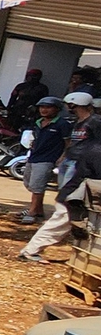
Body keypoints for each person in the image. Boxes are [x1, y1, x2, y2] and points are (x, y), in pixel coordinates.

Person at [22, 91, 101, 261]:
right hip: (79, 178)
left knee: (70, 216)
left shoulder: (93, 124)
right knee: (65, 215)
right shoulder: (80, 126)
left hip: (81, 175)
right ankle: (31, 251)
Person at [20, 96, 70, 225]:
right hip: (34, 156)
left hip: (48, 159)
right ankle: (38, 210)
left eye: (48, 107)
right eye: (42, 107)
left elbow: (68, 143)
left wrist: (62, 157)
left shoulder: (62, 124)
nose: (44, 110)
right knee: (29, 184)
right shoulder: (38, 122)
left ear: (57, 109)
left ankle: (32, 212)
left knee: (37, 186)